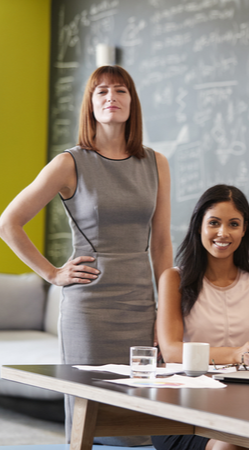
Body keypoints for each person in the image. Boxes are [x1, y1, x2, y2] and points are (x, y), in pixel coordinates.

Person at [0, 65, 172, 444]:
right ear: (90, 105)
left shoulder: (156, 163)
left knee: (142, 418)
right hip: (89, 308)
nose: (112, 97)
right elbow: (8, 222)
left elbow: (161, 245)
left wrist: (167, 308)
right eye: (102, 91)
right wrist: (52, 274)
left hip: (141, 305)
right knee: (89, 415)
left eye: (121, 90)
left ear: (132, 101)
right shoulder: (70, 162)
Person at [153, 184, 249, 450]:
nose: (223, 233)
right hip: (183, 406)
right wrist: (237, 354)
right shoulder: (174, 279)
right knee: (231, 446)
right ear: (199, 227)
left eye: (234, 224)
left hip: (246, 402)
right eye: (214, 223)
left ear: (244, 230)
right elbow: (171, 351)